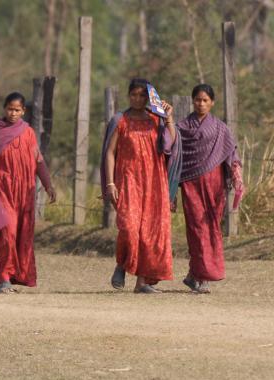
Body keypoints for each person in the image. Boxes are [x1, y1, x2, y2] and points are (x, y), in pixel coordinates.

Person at [101, 78, 179, 294]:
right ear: (128, 96)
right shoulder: (121, 120)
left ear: (149, 98)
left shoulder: (157, 119)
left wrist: (169, 118)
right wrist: (110, 182)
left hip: (154, 182)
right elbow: (110, 153)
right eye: (133, 95)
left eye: (142, 95)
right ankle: (122, 264)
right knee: (129, 227)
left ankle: (142, 283)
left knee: (150, 232)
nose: (137, 99)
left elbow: (170, 143)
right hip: (128, 181)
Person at [0, 92, 56, 293]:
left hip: (23, 193)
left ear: (23, 111)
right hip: (0, 190)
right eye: (10, 109)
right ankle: (3, 278)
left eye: (17, 110)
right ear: (4, 108)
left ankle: (16, 276)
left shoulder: (28, 132)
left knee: (22, 235)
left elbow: (39, 161)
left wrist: (48, 185)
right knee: (7, 233)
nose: (13, 113)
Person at [177, 84, 244, 294]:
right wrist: (166, 120)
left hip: (215, 187)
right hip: (191, 185)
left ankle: (193, 275)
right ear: (192, 101)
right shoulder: (182, 128)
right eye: (198, 99)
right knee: (196, 229)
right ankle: (203, 276)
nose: (201, 103)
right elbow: (170, 147)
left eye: (205, 100)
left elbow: (231, 154)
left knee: (211, 227)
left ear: (212, 102)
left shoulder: (220, 128)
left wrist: (237, 176)